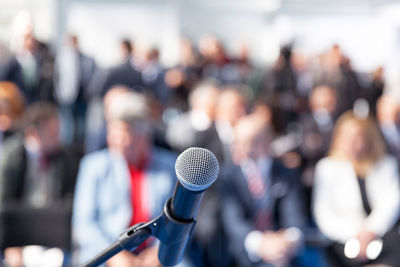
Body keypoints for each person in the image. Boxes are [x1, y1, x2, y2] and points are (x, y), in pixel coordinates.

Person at [72, 91, 177, 267]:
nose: (117, 140)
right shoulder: (93, 166)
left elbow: (178, 224)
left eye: (125, 134)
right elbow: (84, 224)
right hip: (107, 253)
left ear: (144, 135)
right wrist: (114, 255)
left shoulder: (169, 166)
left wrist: (158, 254)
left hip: (157, 255)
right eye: (113, 133)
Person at [312, 111, 400, 267]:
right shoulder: (327, 168)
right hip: (345, 241)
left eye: (356, 137)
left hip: (381, 237)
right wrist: (356, 234)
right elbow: (324, 215)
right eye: (345, 137)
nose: (350, 142)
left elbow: (391, 204)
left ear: (369, 139)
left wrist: (370, 231)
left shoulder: (386, 165)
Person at [220, 114, 306, 267]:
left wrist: (286, 242)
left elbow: (294, 215)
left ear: (265, 143)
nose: (239, 147)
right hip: (245, 253)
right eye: (236, 142)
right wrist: (261, 244)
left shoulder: (285, 173)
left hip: (283, 251)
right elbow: (233, 221)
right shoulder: (229, 176)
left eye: (247, 142)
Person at [0, 102, 79, 267]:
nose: (58, 138)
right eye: (52, 133)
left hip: (52, 233)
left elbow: (68, 199)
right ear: (33, 133)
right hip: (19, 233)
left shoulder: (64, 158)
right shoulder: (11, 158)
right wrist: (10, 244)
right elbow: (4, 203)